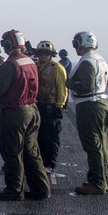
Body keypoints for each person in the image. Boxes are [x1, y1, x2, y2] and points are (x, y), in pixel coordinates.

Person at [0, 30, 49, 201]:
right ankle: (41, 188)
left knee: (12, 152)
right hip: (33, 109)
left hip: (15, 112)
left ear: (8, 45)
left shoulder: (11, 64)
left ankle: (14, 190)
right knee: (31, 151)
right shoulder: (30, 61)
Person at [67, 31, 108, 195]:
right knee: (101, 145)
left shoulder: (87, 62)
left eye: (76, 44)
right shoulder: (101, 60)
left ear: (82, 43)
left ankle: (96, 183)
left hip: (89, 106)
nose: (75, 47)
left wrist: (70, 83)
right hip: (101, 103)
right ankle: (103, 180)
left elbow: (87, 86)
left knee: (92, 145)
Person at [34, 41, 68, 172]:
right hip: (38, 105)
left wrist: (59, 106)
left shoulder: (57, 68)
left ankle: (50, 164)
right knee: (39, 136)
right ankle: (40, 162)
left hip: (51, 106)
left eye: (46, 54)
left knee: (51, 137)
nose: (43, 56)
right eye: (41, 54)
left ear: (51, 55)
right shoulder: (35, 66)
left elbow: (62, 88)